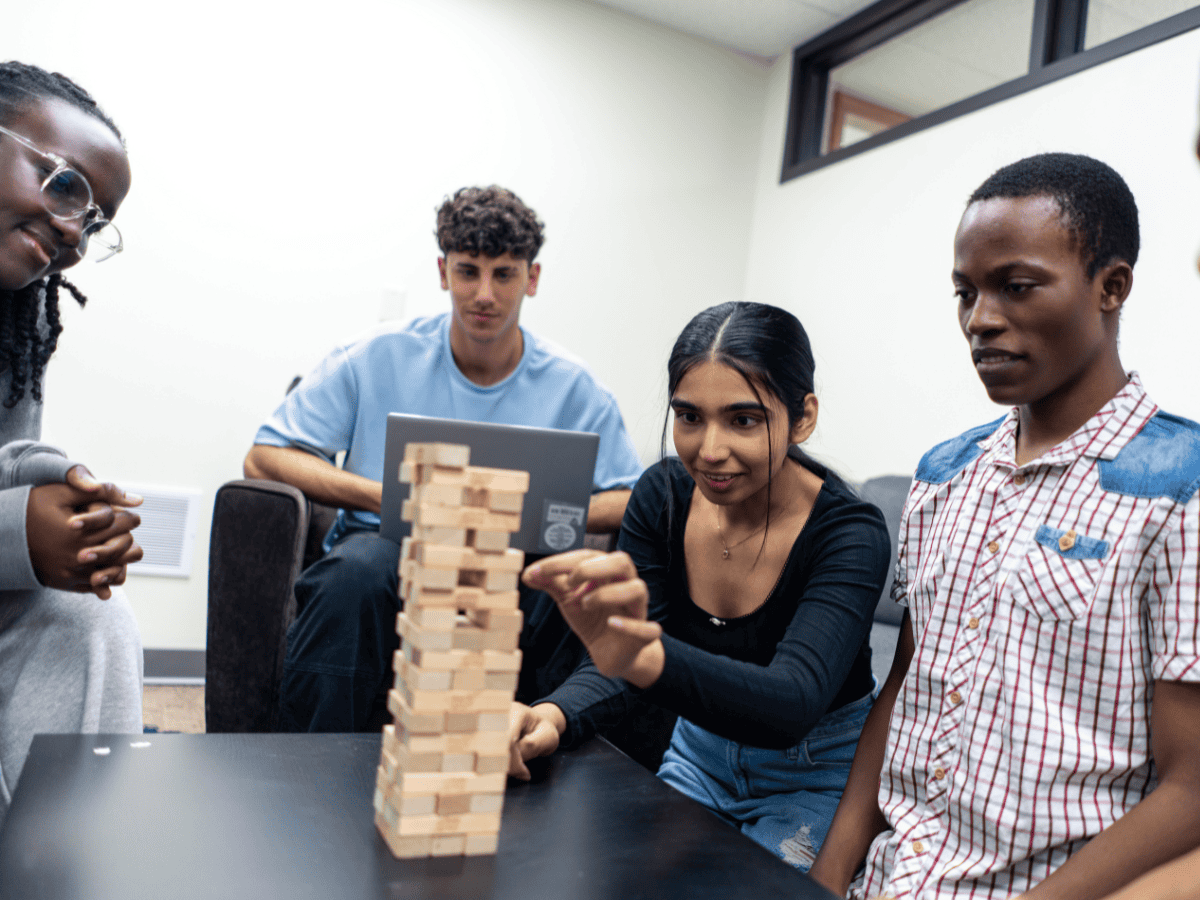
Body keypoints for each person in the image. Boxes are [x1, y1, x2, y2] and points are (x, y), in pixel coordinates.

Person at [808, 153, 1200, 900]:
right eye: (966, 292)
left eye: (1016, 287)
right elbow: (902, 695)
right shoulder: (943, 474)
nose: (980, 319)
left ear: (1111, 286)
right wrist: (825, 878)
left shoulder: (1182, 489)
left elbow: (1192, 789)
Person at [245, 185, 642, 733]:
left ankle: (539, 747)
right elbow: (265, 458)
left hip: (516, 559)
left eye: (504, 274)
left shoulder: (575, 386)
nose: (484, 293)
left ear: (532, 279)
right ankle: (314, 762)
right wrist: (390, 496)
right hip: (391, 546)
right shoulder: (373, 356)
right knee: (353, 577)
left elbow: (630, 498)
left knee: (568, 586)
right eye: (468, 271)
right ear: (442, 272)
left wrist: (521, 511)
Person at [519, 301, 890, 870]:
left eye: (743, 420)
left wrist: (646, 657)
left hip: (814, 774)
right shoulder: (662, 497)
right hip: (700, 757)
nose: (709, 449)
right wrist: (553, 714)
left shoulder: (850, 533)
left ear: (803, 417)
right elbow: (625, 650)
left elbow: (792, 700)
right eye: (689, 416)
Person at [0, 61, 144, 815]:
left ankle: (61, 864)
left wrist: (65, 487)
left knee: (89, 618)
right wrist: (16, 532)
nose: (73, 233)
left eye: (93, 221)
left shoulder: (13, 322)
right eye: (62, 185)